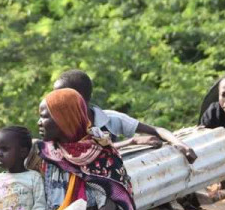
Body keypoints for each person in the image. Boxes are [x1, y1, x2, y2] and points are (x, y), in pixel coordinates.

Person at [10, 88, 137, 210]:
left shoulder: (102, 156)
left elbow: (111, 209)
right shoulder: (43, 152)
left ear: (64, 119)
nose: (39, 122)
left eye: (45, 117)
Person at [53, 69, 197, 163]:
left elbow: (157, 130)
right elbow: (85, 153)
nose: (55, 101)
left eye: (61, 96)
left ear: (80, 97)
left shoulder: (110, 119)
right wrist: (131, 142)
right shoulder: (60, 128)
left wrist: (181, 144)